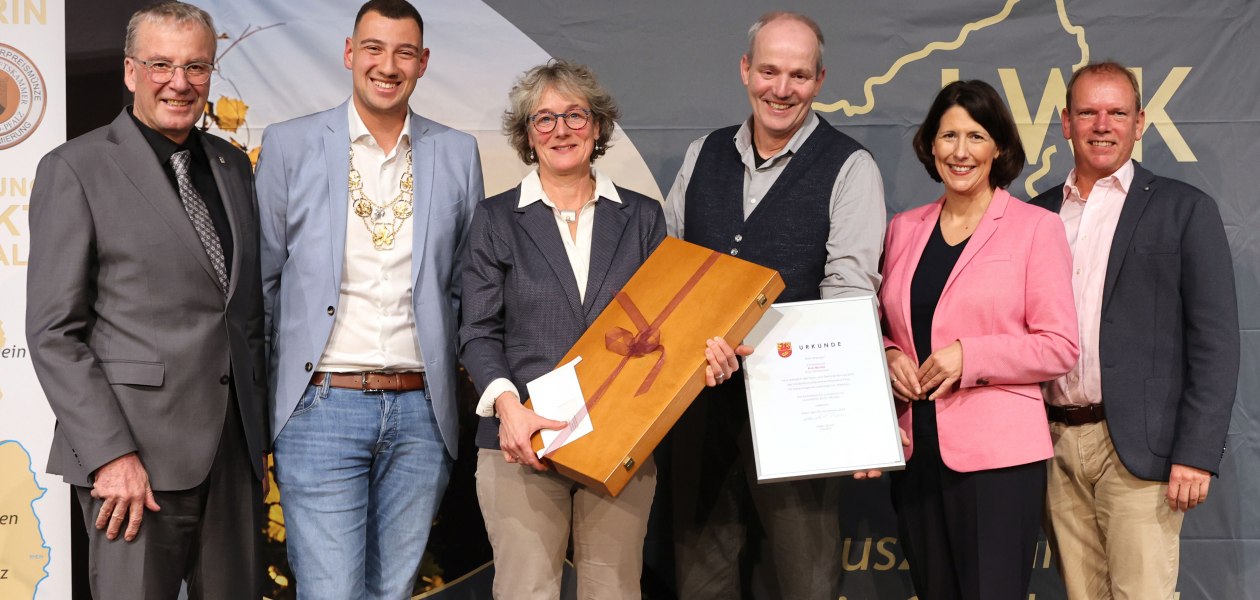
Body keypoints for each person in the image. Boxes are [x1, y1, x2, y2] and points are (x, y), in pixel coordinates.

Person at [459, 59, 745, 600]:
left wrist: (708, 353)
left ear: (597, 126)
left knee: (613, 592)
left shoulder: (641, 218)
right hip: (522, 442)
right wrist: (507, 407)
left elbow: (664, 329)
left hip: (620, 439)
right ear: (526, 134)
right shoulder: (495, 219)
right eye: (544, 119)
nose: (561, 130)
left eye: (574, 115)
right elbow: (476, 330)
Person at [25, 2, 267, 597]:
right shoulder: (74, 168)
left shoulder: (233, 166)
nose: (179, 82)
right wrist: (110, 456)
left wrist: (257, 442)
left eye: (196, 67)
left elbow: (240, 313)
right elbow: (54, 332)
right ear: (130, 71)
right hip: (133, 467)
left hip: (233, 460)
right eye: (161, 64)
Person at [254, 0, 483, 597]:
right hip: (321, 405)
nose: (388, 64)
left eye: (404, 52)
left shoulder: (456, 153)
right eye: (375, 48)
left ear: (423, 62)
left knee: (393, 589)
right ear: (350, 54)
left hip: (420, 414)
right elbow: (264, 286)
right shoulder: (290, 144)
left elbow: (464, 282)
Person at [663, 11, 888, 599]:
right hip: (699, 402)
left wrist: (759, 345)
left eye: (798, 75)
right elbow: (668, 272)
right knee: (701, 580)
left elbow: (849, 296)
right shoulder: (701, 155)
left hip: (800, 408)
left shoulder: (850, 167)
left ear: (819, 80)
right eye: (768, 70)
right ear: (745, 70)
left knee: (803, 580)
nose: (781, 89)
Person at [1031, 61, 1239, 600]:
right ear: (1065, 122)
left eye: (1117, 112)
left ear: (1140, 121)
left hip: (1142, 449)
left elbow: (1215, 342)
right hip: (1052, 443)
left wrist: (1195, 452)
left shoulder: (1184, 210)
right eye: (1088, 112)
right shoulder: (1035, 216)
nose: (1102, 124)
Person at [879, 79, 1079, 599]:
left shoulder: (1036, 228)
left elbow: (1060, 345)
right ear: (930, 145)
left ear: (999, 147)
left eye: (975, 136)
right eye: (948, 136)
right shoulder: (903, 228)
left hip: (998, 463)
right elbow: (884, 325)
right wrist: (891, 354)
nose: (960, 151)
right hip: (914, 448)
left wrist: (970, 356)